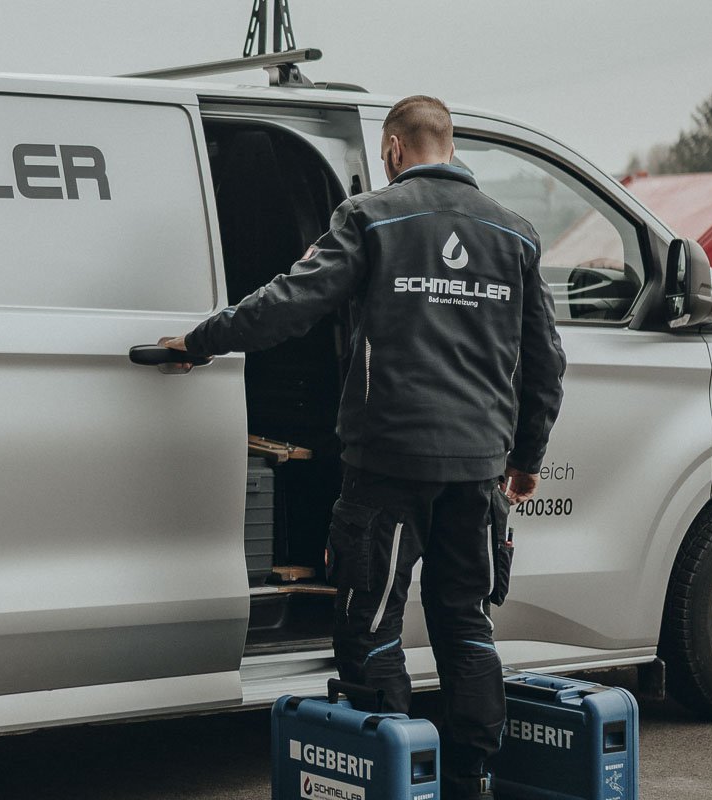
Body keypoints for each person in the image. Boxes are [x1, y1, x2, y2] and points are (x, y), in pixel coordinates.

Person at [162, 95, 565, 799]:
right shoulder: (518, 236)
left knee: (373, 625)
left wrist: (202, 341)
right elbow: (545, 362)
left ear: (393, 150)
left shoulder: (370, 219)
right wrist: (525, 459)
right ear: (448, 145)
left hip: (387, 467)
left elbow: (290, 302)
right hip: (477, 471)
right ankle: (471, 779)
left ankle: (391, 777)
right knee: (467, 625)